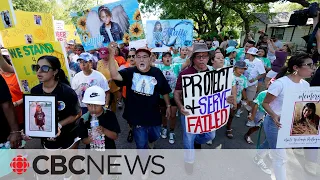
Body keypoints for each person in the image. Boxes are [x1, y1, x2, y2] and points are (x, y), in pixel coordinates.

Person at [174, 43, 234, 172]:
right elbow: (177, 93)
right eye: (198, 56)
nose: (202, 59)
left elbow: (221, 93)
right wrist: (180, 106)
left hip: (208, 111)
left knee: (210, 135)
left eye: (204, 56)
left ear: (208, 58)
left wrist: (227, 99)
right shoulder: (185, 73)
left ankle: (197, 142)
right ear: (193, 58)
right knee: (188, 137)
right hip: (189, 111)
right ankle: (189, 161)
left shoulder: (214, 74)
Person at [254, 53, 314, 179]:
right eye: (309, 65)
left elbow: (303, 105)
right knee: (280, 158)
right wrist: (274, 115)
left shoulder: (306, 85)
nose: (312, 68)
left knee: (269, 143)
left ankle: (257, 157)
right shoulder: (280, 84)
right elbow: (265, 103)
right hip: (274, 123)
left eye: (312, 65)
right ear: (296, 68)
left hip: (291, 124)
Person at [109, 41, 171, 149]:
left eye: (144, 57)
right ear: (135, 60)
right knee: (141, 144)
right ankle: (144, 164)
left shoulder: (156, 72)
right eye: (138, 57)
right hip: (137, 117)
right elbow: (114, 75)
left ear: (150, 59)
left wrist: (169, 106)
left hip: (153, 115)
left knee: (155, 135)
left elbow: (164, 90)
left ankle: (151, 141)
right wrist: (110, 54)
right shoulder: (129, 72)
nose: (141, 59)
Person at [31, 55, 81, 150]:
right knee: (52, 164)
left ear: (55, 71)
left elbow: (78, 113)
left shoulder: (67, 92)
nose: (39, 71)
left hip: (68, 135)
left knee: (71, 163)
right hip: (48, 139)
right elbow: (35, 114)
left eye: (45, 68)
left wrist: (59, 124)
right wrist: (29, 129)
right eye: (37, 67)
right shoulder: (35, 91)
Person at [78, 86, 120, 180]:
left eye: (96, 105)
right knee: (95, 176)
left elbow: (115, 136)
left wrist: (104, 131)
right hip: (93, 154)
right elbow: (84, 140)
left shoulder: (109, 116)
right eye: (89, 105)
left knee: (112, 173)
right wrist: (90, 139)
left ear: (102, 103)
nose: (93, 108)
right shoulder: (84, 119)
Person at [155, 52, 182, 144]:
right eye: (165, 57)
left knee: (173, 115)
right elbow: (149, 63)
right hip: (161, 96)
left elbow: (188, 62)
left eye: (169, 57)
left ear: (172, 58)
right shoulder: (159, 67)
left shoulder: (176, 66)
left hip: (173, 95)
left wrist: (190, 50)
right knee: (163, 113)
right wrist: (151, 53)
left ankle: (172, 131)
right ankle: (165, 128)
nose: (167, 58)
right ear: (162, 59)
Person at [244, 79, 274, 144]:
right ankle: (247, 134)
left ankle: (268, 142)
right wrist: (252, 115)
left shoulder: (278, 96)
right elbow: (256, 105)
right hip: (261, 112)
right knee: (256, 126)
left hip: (271, 114)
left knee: (269, 129)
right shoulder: (263, 93)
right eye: (270, 84)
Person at [0, 54, 24, 130]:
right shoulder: (1, 76)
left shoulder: (19, 75)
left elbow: (29, 94)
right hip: (7, 114)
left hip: (20, 112)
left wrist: (16, 103)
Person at [226, 61, 248, 139]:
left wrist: (245, 99)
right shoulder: (229, 76)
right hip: (227, 100)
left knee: (231, 115)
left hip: (238, 100)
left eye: (243, 69)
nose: (241, 70)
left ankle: (228, 128)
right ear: (235, 68)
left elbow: (243, 89)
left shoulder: (244, 78)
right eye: (239, 68)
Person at [119, 48, 136, 143]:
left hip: (139, 96)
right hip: (127, 95)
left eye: (133, 56)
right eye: (129, 56)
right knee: (129, 115)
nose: (131, 58)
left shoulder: (142, 66)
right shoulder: (123, 67)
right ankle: (131, 130)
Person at [243, 47, 266, 113]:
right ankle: (240, 110)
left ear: (250, 54)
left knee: (250, 99)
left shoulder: (258, 62)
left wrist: (254, 79)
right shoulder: (245, 61)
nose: (245, 54)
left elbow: (263, 73)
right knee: (243, 98)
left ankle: (249, 114)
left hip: (252, 84)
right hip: (244, 83)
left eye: (246, 53)